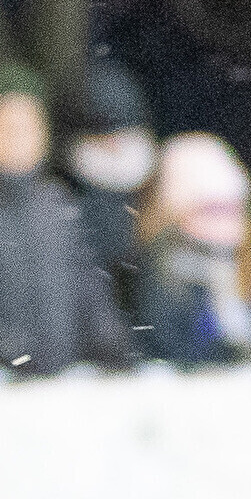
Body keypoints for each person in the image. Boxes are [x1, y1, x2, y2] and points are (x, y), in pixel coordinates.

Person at [0, 66, 129, 372]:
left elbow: (92, 299)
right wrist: (18, 360)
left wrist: (116, 353)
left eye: (29, 127)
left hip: (64, 387)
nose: (18, 140)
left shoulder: (58, 207)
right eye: (6, 127)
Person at [134, 132, 251, 365]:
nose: (225, 220)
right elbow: (176, 350)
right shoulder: (164, 274)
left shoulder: (245, 260)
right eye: (212, 209)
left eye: (233, 208)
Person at [63, 60, 158, 316]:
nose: (116, 144)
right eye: (106, 134)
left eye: (125, 133)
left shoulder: (158, 191)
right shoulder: (67, 199)